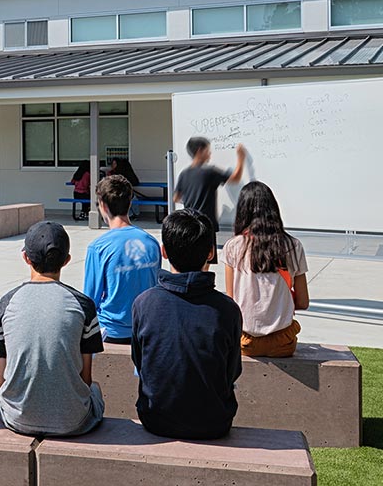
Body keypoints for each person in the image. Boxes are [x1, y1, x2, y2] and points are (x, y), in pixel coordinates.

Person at [128, 208, 243, 441]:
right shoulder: (227, 310)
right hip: (214, 423)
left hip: (155, 419)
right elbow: (232, 372)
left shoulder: (144, 304)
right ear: (211, 253)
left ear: (164, 252)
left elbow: (140, 363)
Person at [0, 222, 104, 438]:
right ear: (66, 260)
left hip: (16, 420)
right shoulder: (83, 304)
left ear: (26, 258)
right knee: (95, 389)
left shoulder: (8, 302)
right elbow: (85, 379)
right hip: (74, 421)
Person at [222, 181, 311, 358]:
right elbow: (303, 302)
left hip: (246, 343)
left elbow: (231, 302)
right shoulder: (293, 246)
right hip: (283, 343)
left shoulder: (233, 247)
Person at [81, 176, 165, 345]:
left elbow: (89, 301)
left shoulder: (98, 248)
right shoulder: (151, 242)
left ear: (103, 206)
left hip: (112, 332)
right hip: (146, 328)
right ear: (130, 203)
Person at [172, 135, 249, 224]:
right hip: (206, 223)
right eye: (207, 151)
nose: (210, 154)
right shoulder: (209, 172)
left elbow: (176, 198)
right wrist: (241, 158)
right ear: (200, 151)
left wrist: (192, 200)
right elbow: (236, 178)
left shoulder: (184, 174)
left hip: (189, 223)